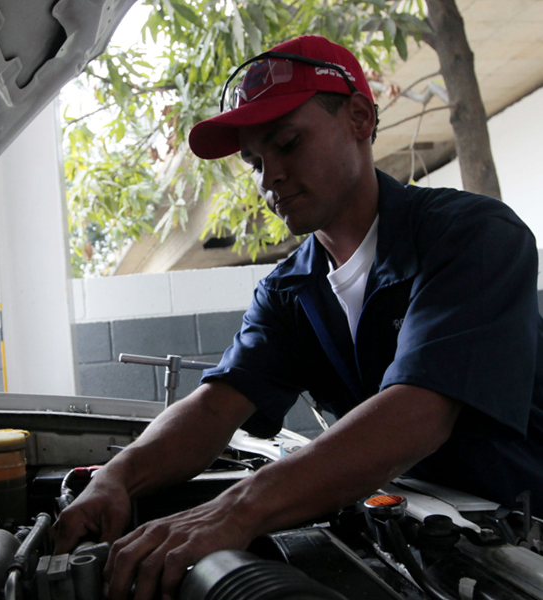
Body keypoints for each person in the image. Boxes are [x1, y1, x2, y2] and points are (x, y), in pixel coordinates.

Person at [51, 35, 543, 600]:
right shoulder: (290, 291)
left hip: (522, 553)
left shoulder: (472, 237)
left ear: (359, 117)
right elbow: (217, 404)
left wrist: (239, 509)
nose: (269, 178)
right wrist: (117, 478)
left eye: (288, 144)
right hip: (417, 542)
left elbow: (418, 412)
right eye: (255, 162)